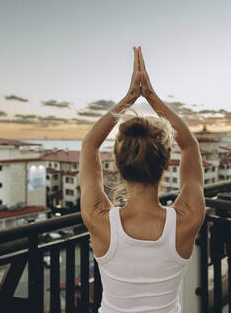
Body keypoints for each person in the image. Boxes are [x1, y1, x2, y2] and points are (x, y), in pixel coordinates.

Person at [80, 47, 205, 313]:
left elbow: (89, 145)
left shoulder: (99, 219)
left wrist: (129, 98)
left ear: (117, 164)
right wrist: (150, 96)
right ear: (166, 163)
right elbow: (191, 147)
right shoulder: (188, 219)